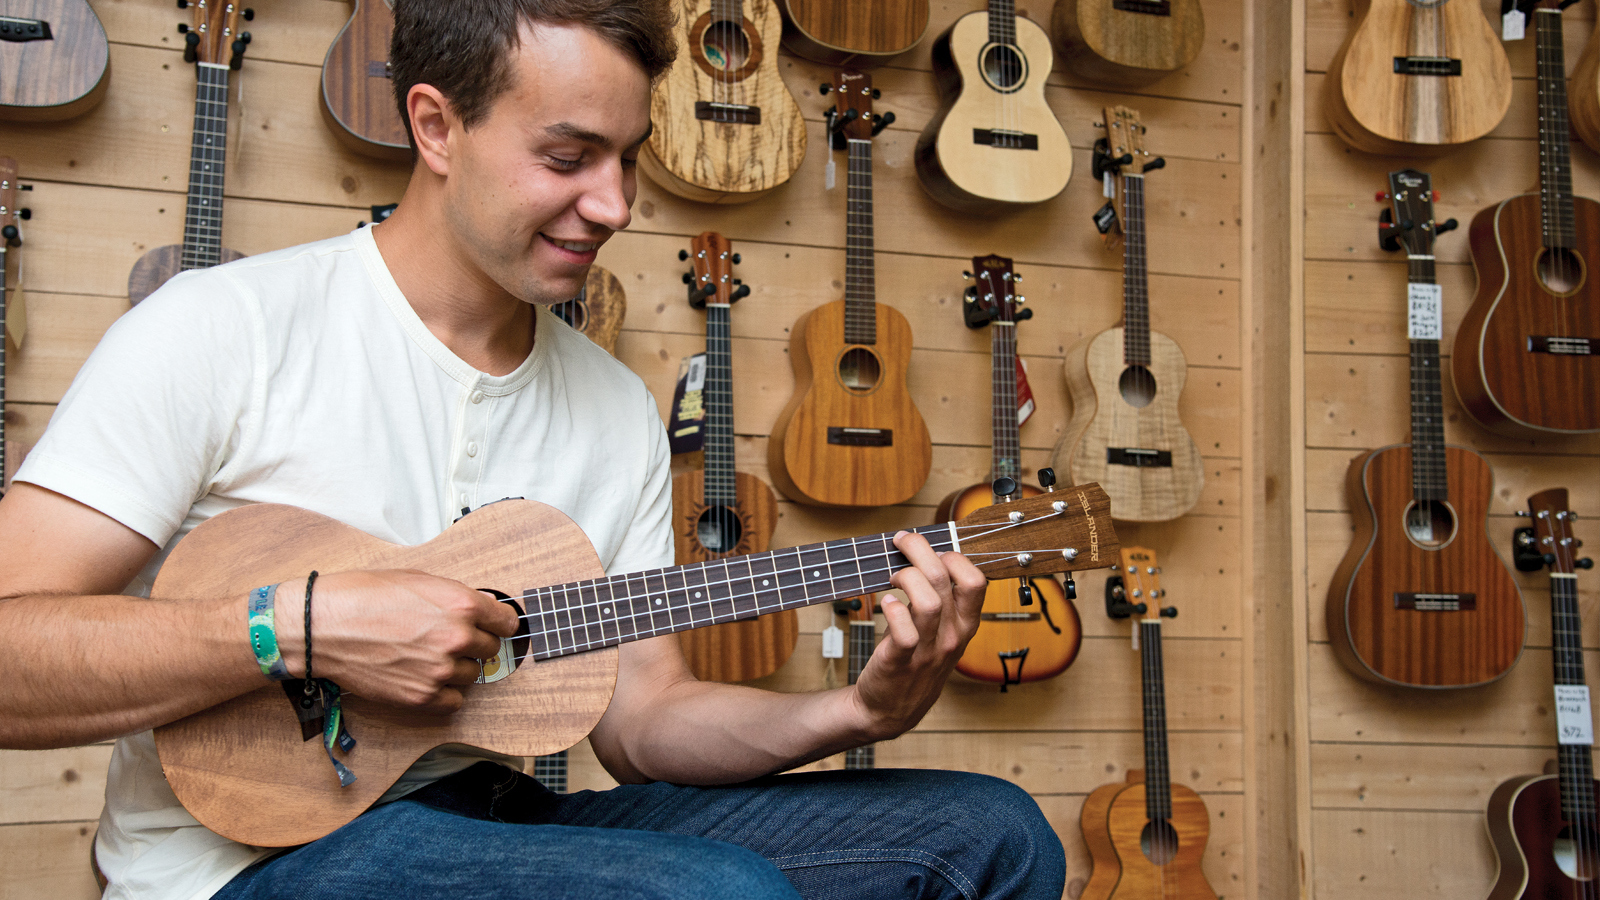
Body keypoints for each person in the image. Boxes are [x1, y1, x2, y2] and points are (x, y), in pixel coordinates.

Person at [0, 2, 1067, 898]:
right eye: (567, 157)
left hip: (497, 814)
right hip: (237, 860)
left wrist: (855, 710)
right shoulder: (221, 329)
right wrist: (297, 630)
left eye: (628, 160)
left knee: (994, 833)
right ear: (435, 126)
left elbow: (645, 720)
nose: (613, 205)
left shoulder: (607, 406)